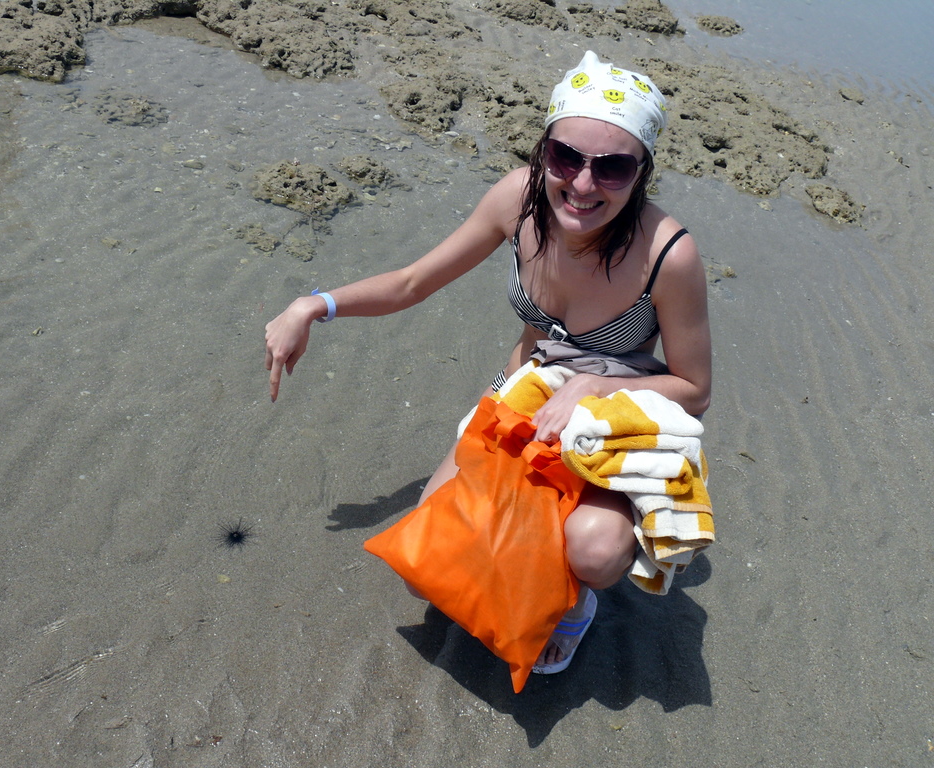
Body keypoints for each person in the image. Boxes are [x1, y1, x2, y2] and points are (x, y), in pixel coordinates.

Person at [265, 51, 711, 675]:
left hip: (613, 417)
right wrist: (315, 304)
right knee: (427, 568)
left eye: (612, 167)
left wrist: (592, 385)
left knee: (593, 550)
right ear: (543, 151)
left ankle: (576, 602)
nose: (583, 185)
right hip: (523, 396)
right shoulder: (517, 201)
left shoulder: (668, 255)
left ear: (642, 172)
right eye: (565, 157)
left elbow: (694, 388)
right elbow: (413, 282)